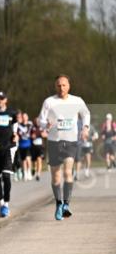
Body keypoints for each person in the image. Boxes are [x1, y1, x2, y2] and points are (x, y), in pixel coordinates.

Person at [38, 75, 91, 220]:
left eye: (64, 85)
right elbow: (40, 119)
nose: (61, 88)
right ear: (55, 86)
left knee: (68, 172)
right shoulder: (49, 102)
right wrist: (45, 125)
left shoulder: (77, 100)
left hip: (70, 141)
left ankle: (66, 204)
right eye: (58, 85)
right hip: (54, 141)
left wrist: (85, 128)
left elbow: (86, 114)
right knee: (56, 176)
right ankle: (58, 203)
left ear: (69, 86)